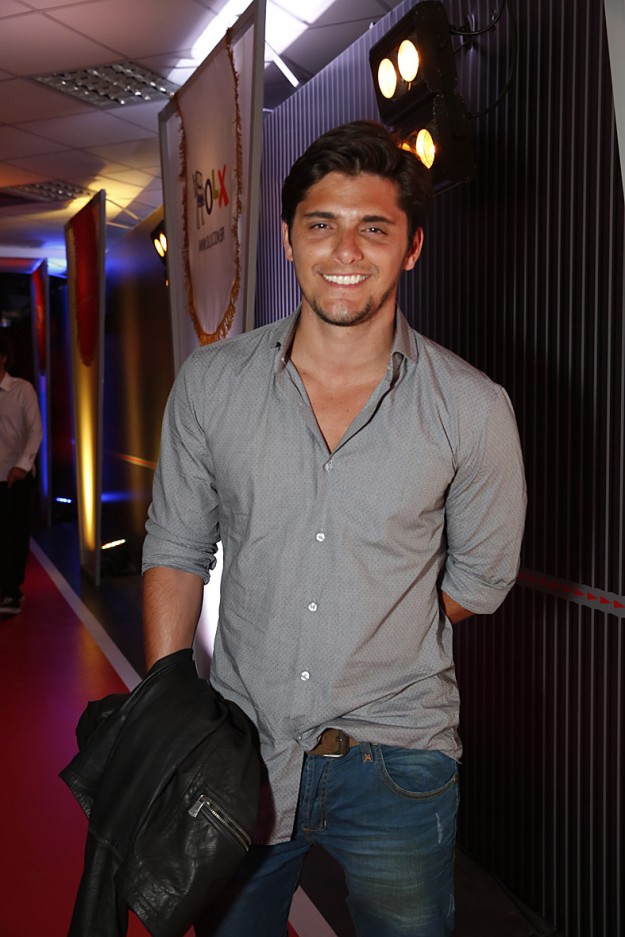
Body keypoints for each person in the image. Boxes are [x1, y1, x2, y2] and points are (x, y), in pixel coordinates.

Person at [142, 120, 527, 937]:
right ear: (287, 238)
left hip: (399, 756)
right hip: (238, 746)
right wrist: (166, 709)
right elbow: (176, 548)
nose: (345, 250)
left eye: (373, 228)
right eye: (321, 223)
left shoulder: (472, 408)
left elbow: (480, 579)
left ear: (411, 248)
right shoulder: (212, 384)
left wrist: (370, 628)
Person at [0, 334, 42, 615]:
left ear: (3, 358)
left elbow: (34, 431)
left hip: (15, 477)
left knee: (14, 535)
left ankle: (12, 588)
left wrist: (22, 465)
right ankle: (8, 590)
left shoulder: (21, 389)